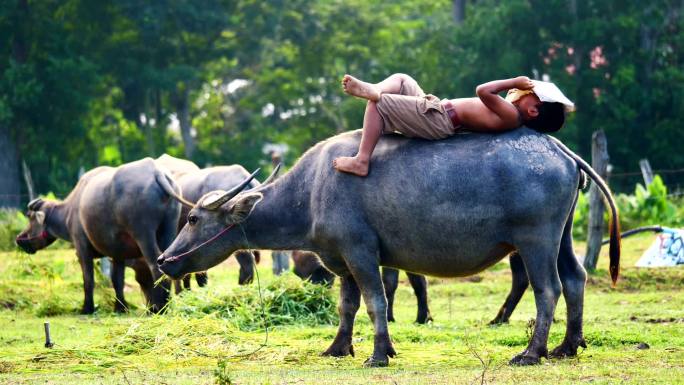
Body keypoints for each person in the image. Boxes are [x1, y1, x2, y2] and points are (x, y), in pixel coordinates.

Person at [332, 73, 571, 176]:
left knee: (380, 104)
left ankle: (362, 160)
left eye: (528, 91)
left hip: (439, 119)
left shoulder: (512, 115)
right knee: (403, 80)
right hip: (436, 108)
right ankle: (376, 88)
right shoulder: (513, 115)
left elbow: (483, 91)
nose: (520, 89)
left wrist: (513, 80)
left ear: (532, 110)